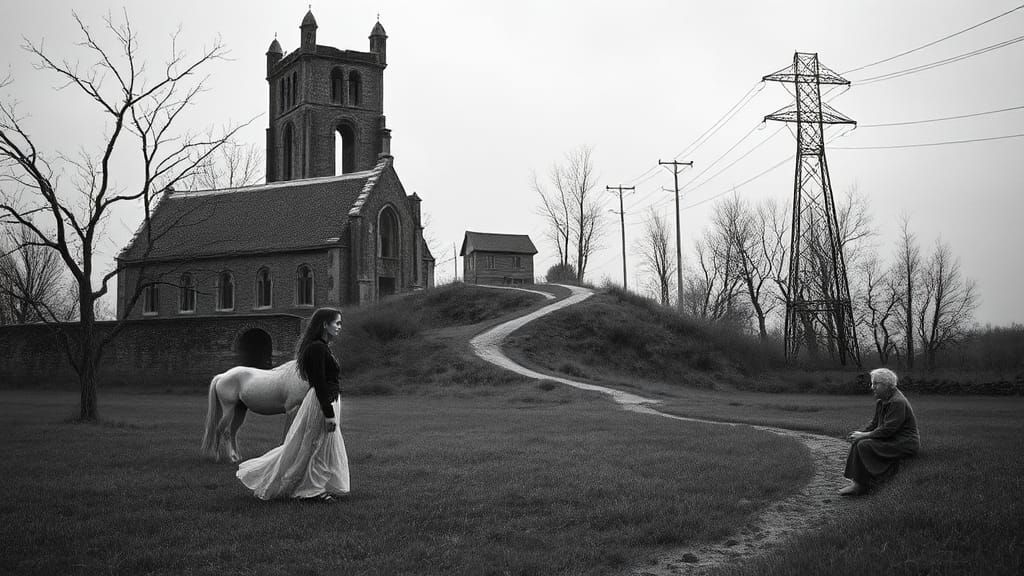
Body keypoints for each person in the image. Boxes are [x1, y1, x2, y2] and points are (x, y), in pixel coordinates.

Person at [237, 308, 350, 501]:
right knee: (315, 444)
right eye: (337, 323)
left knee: (323, 444)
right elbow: (319, 383)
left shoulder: (322, 347)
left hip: (329, 400)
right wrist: (329, 413)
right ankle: (312, 491)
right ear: (324, 324)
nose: (340, 327)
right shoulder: (316, 348)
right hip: (322, 403)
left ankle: (320, 485)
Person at [840, 367, 920, 496]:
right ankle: (858, 484)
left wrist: (864, 436)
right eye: (873, 383)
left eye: (876, 384)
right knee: (858, 442)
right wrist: (859, 433)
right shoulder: (882, 402)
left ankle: (875, 480)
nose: (872, 387)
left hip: (904, 443)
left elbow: (888, 430)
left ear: (888, 385)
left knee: (863, 444)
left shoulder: (897, 402)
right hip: (891, 439)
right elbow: (874, 424)